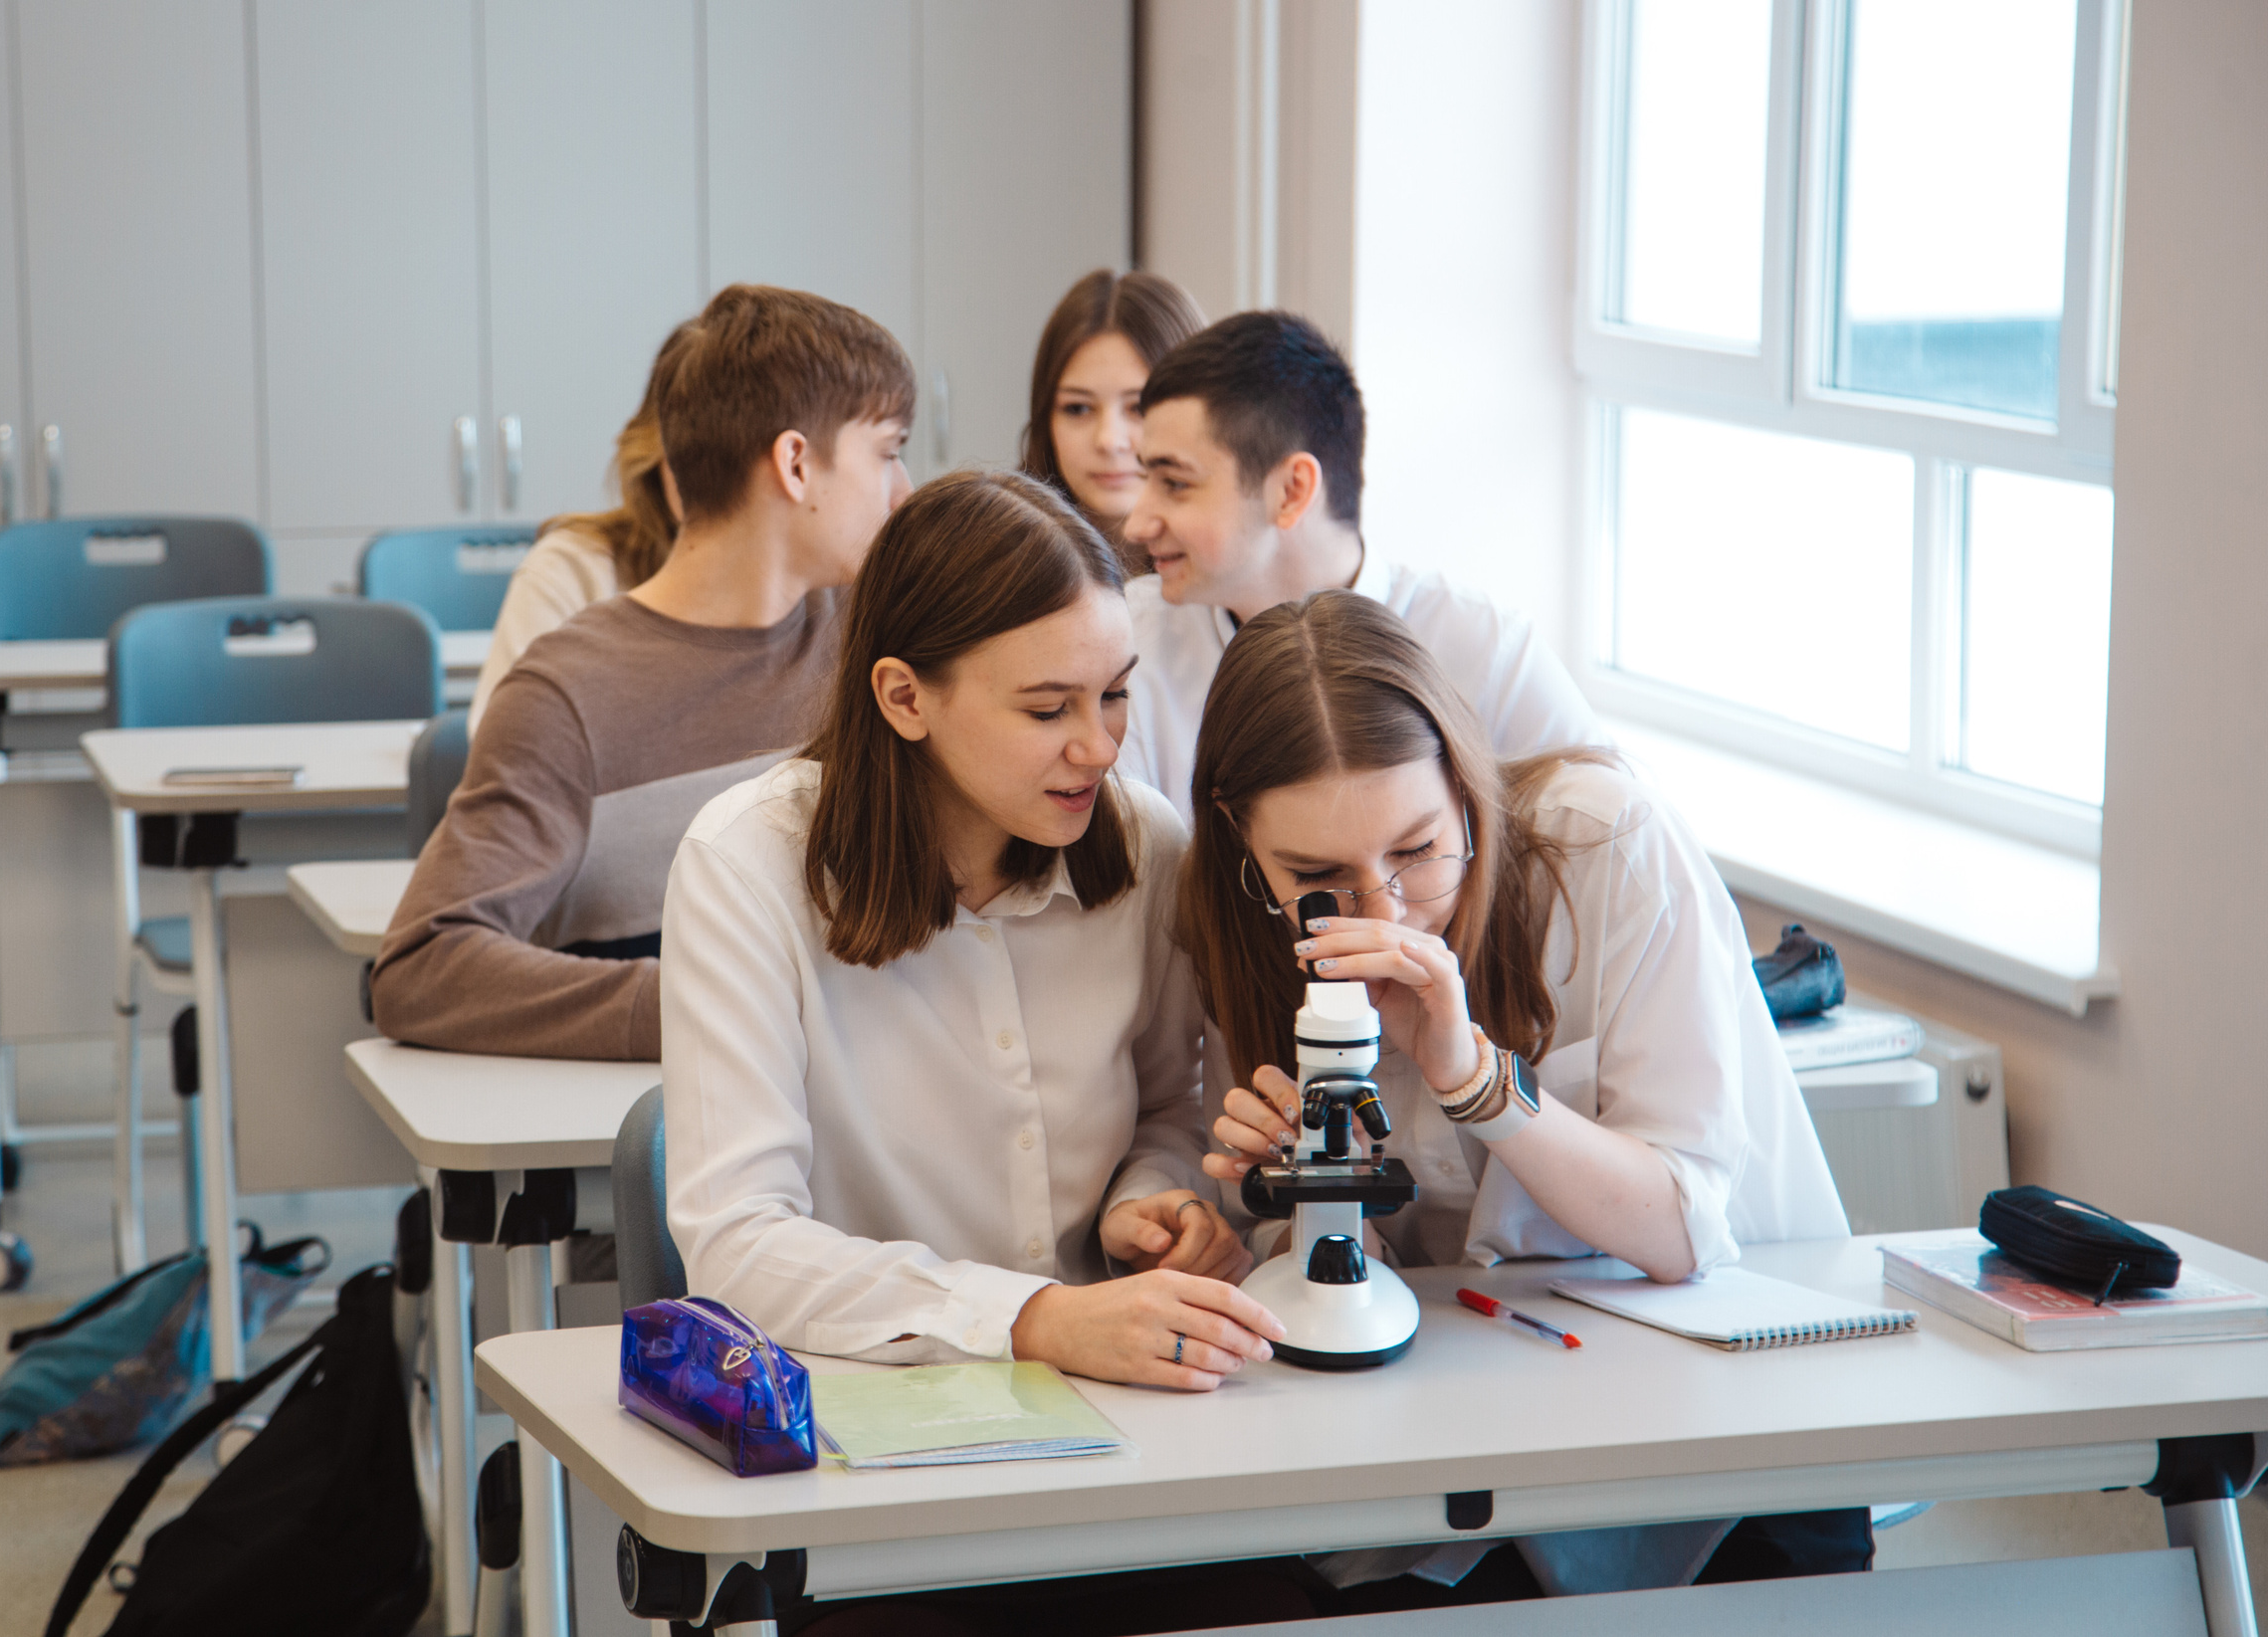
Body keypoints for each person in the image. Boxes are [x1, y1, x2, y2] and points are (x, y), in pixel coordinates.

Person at [661, 468, 1318, 1635]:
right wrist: (1034, 1316)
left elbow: (1172, 1103)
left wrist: (1149, 1198)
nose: (1098, 747)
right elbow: (736, 1243)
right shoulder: (746, 864)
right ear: (904, 697)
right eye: (1046, 707)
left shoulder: (1144, 847)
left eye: (1114, 696)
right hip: (884, 1486)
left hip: (1133, 1446)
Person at [1180, 590, 1860, 1609]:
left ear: (1463, 778)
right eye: (1319, 875)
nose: (1385, 911)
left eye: (1415, 849)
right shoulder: (1239, 928)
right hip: (1454, 1458)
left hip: (1718, 1460)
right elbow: (1358, 1298)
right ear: (1243, 843)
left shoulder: (1602, 844)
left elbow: (1680, 1229)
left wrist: (1471, 1076)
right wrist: (1288, 1199)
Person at [368, 285, 914, 1059]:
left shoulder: (875, 644)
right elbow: (424, 967)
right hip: (667, 1145)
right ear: (795, 463)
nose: (906, 490)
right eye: (888, 451)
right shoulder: (568, 695)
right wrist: (713, 1006)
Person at [1118, 310, 1602, 823]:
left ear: (1292, 491)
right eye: (1146, 478)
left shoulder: (1488, 655)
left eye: (1174, 483)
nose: (1136, 523)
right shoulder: (1130, 642)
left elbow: (1611, 839)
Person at [465, 321, 695, 732]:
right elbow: (503, 742)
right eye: (694, 448)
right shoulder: (574, 566)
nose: (718, 474)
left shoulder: (816, 595)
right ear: (653, 450)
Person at [1018, 268, 1205, 573]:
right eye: (1078, 408)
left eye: (1140, 407)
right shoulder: (1001, 562)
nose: (1109, 440)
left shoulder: (1240, 583)